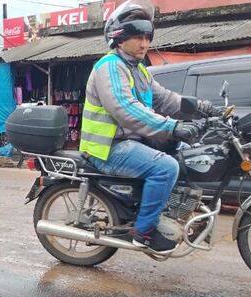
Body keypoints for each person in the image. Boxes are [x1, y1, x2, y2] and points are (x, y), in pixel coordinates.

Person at [79, 0, 220, 253]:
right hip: (108, 147)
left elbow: (166, 99)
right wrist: (172, 127)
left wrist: (204, 107)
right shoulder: (110, 66)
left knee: (180, 154)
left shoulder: (140, 71)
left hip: (130, 142)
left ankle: (169, 211)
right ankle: (142, 232)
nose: (144, 44)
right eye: (137, 38)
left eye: (147, 37)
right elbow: (126, 108)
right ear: (119, 39)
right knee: (166, 167)